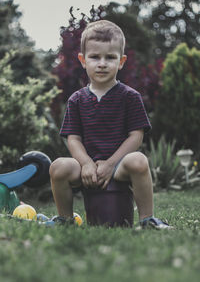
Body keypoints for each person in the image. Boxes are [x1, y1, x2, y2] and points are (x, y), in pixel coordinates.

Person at [49, 20, 172, 229]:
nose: (102, 63)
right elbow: (73, 139)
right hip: (84, 166)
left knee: (139, 161)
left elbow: (136, 136)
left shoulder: (130, 97)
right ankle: (65, 220)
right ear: (83, 60)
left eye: (110, 57)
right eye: (95, 57)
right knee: (58, 166)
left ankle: (147, 220)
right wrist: (87, 163)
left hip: (119, 166)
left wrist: (110, 164)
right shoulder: (76, 99)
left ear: (121, 61)